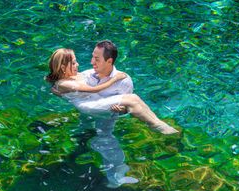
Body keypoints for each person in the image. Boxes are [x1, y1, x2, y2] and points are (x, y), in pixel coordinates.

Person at [46, 46, 178, 134]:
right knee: (132, 99)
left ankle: (155, 122)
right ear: (63, 67)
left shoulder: (74, 77)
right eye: (74, 63)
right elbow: (93, 89)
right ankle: (158, 127)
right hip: (88, 106)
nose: (78, 64)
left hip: (97, 101)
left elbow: (59, 91)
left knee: (133, 99)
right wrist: (115, 79)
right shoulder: (64, 83)